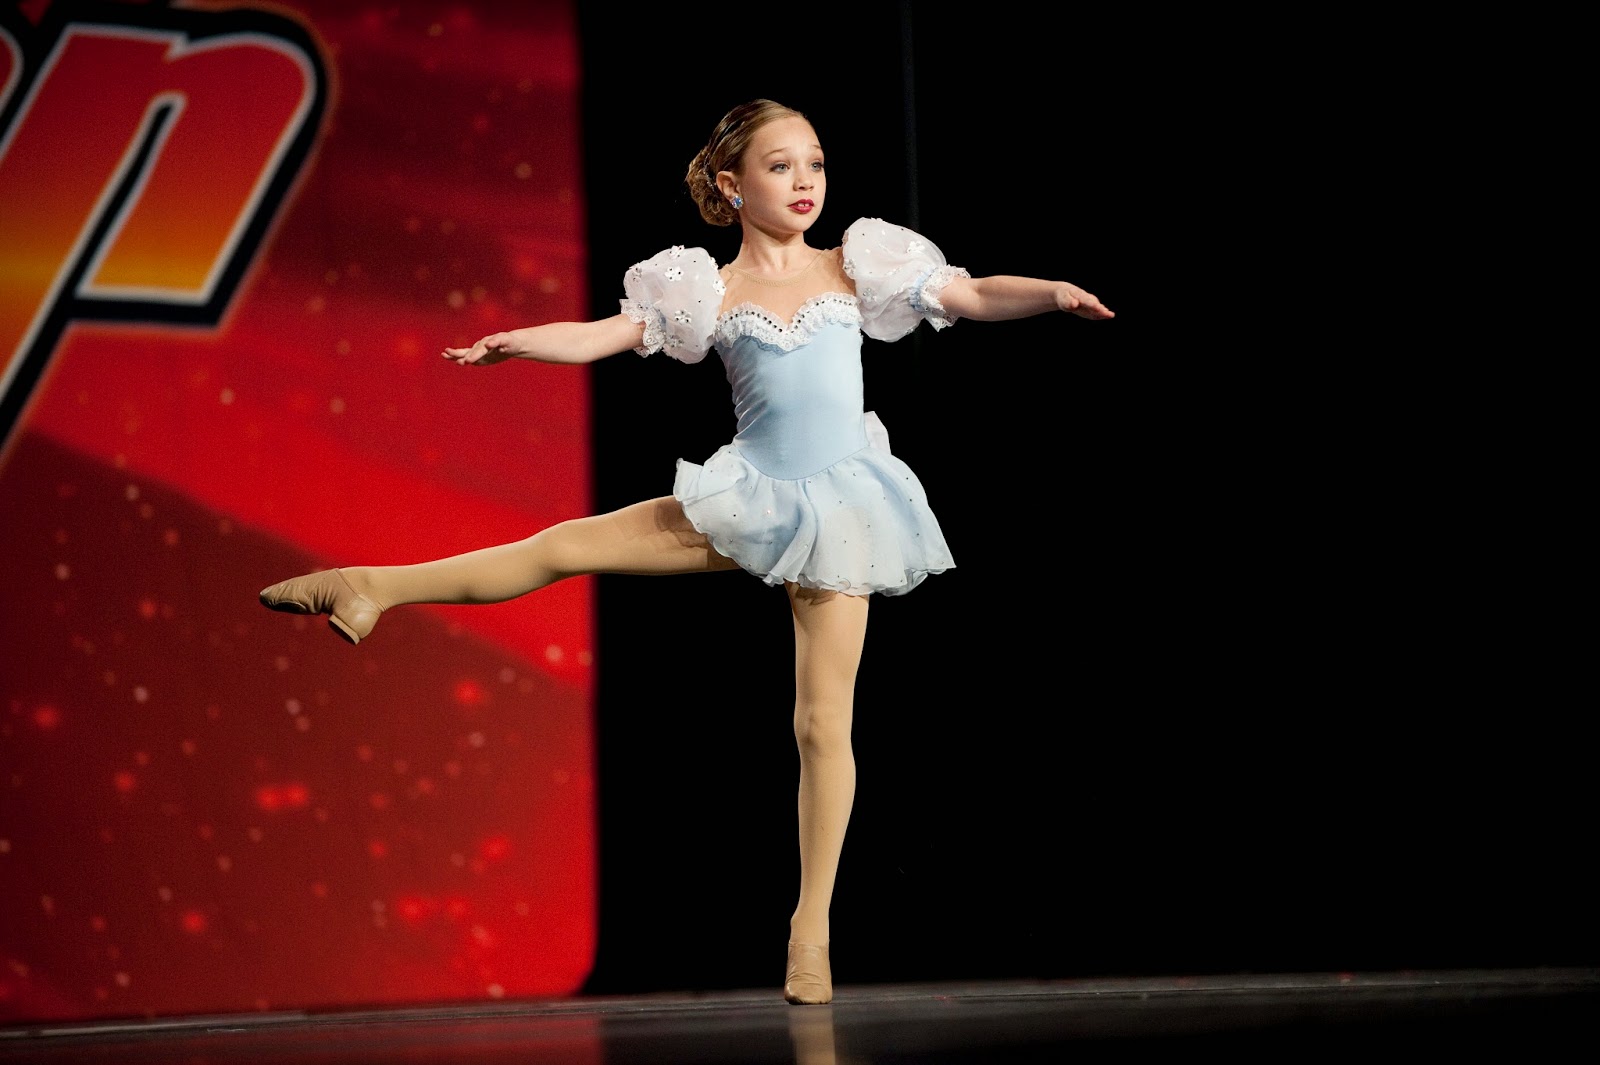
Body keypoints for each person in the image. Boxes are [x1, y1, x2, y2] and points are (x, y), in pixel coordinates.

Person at [259, 98, 1113, 1005]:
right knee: (563, 545)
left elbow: (971, 293)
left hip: (842, 511)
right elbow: (606, 333)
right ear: (730, 185)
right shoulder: (707, 289)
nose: (805, 181)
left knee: (821, 724)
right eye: (780, 166)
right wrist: (522, 342)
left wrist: (1051, 293)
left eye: (815, 163)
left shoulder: (856, 264)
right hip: (747, 501)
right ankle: (370, 587)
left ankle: (811, 929)